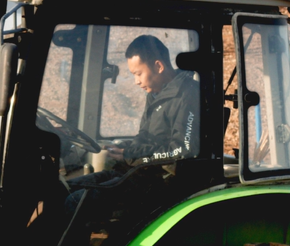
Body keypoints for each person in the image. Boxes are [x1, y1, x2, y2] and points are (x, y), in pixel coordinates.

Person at [64, 34, 199, 212]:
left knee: (76, 202)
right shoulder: (155, 94)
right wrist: (123, 148)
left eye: (138, 74)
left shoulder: (188, 95)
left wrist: (131, 154)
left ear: (158, 66)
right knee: (64, 188)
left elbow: (182, 151)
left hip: (158, 181)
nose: (136, 81)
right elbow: (146, 137)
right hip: (138, 172)